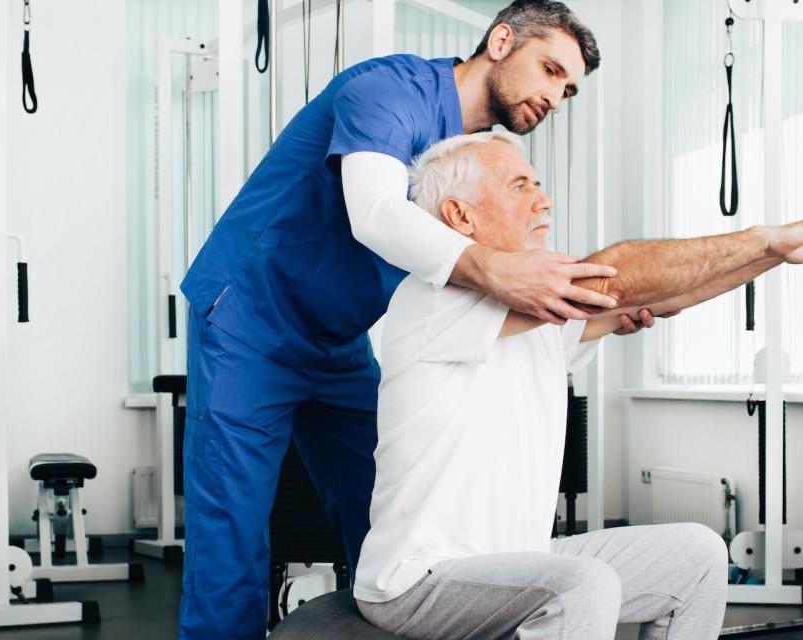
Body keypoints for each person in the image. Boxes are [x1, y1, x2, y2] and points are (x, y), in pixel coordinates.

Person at [176, 2, 627, 638]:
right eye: (550, 70)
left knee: (394, 520)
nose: (555, 96)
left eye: (568, 88)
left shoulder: (472, 152)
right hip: (250, 323)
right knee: (232, 529)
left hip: (337, 338)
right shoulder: (388, 90)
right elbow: (376, 212)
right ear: (501, 41)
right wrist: (497, 271)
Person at [353, 131, 803, 638]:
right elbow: (619, 275)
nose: (542, 201)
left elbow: (658, 296)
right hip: (420, 581)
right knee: (582, 585)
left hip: (518, 559)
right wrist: (766, 238)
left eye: (540, 186)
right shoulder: (430, 301)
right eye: (520, 186)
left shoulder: (536, 317)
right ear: (461, 216)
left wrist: (773, 256)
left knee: (697, 554)